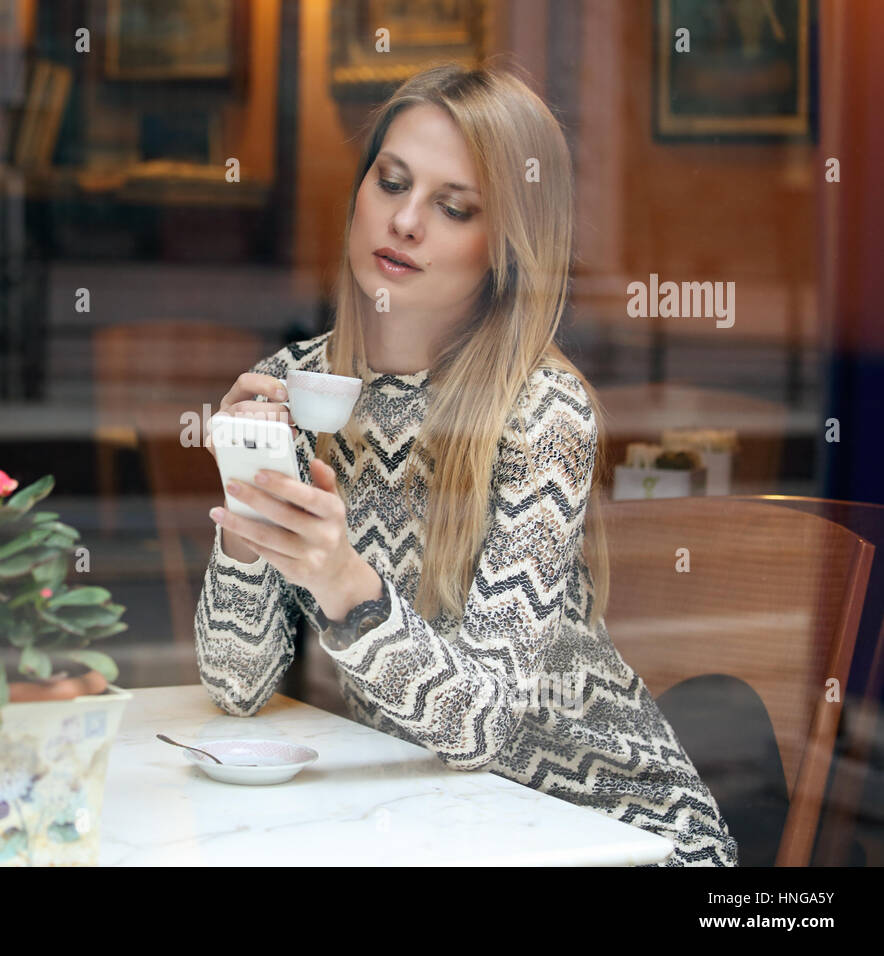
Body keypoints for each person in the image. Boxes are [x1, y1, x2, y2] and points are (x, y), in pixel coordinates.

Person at [194, 63, 739, 867]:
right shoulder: (295, 392)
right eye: (391, 182)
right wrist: (246, 520)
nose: (406, 220)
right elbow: (235, 690)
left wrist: (345, 582)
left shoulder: (541, 413)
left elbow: (479, 725)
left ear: (507, 247)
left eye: (454, 208)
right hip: (439, 826)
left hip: (613, 833)